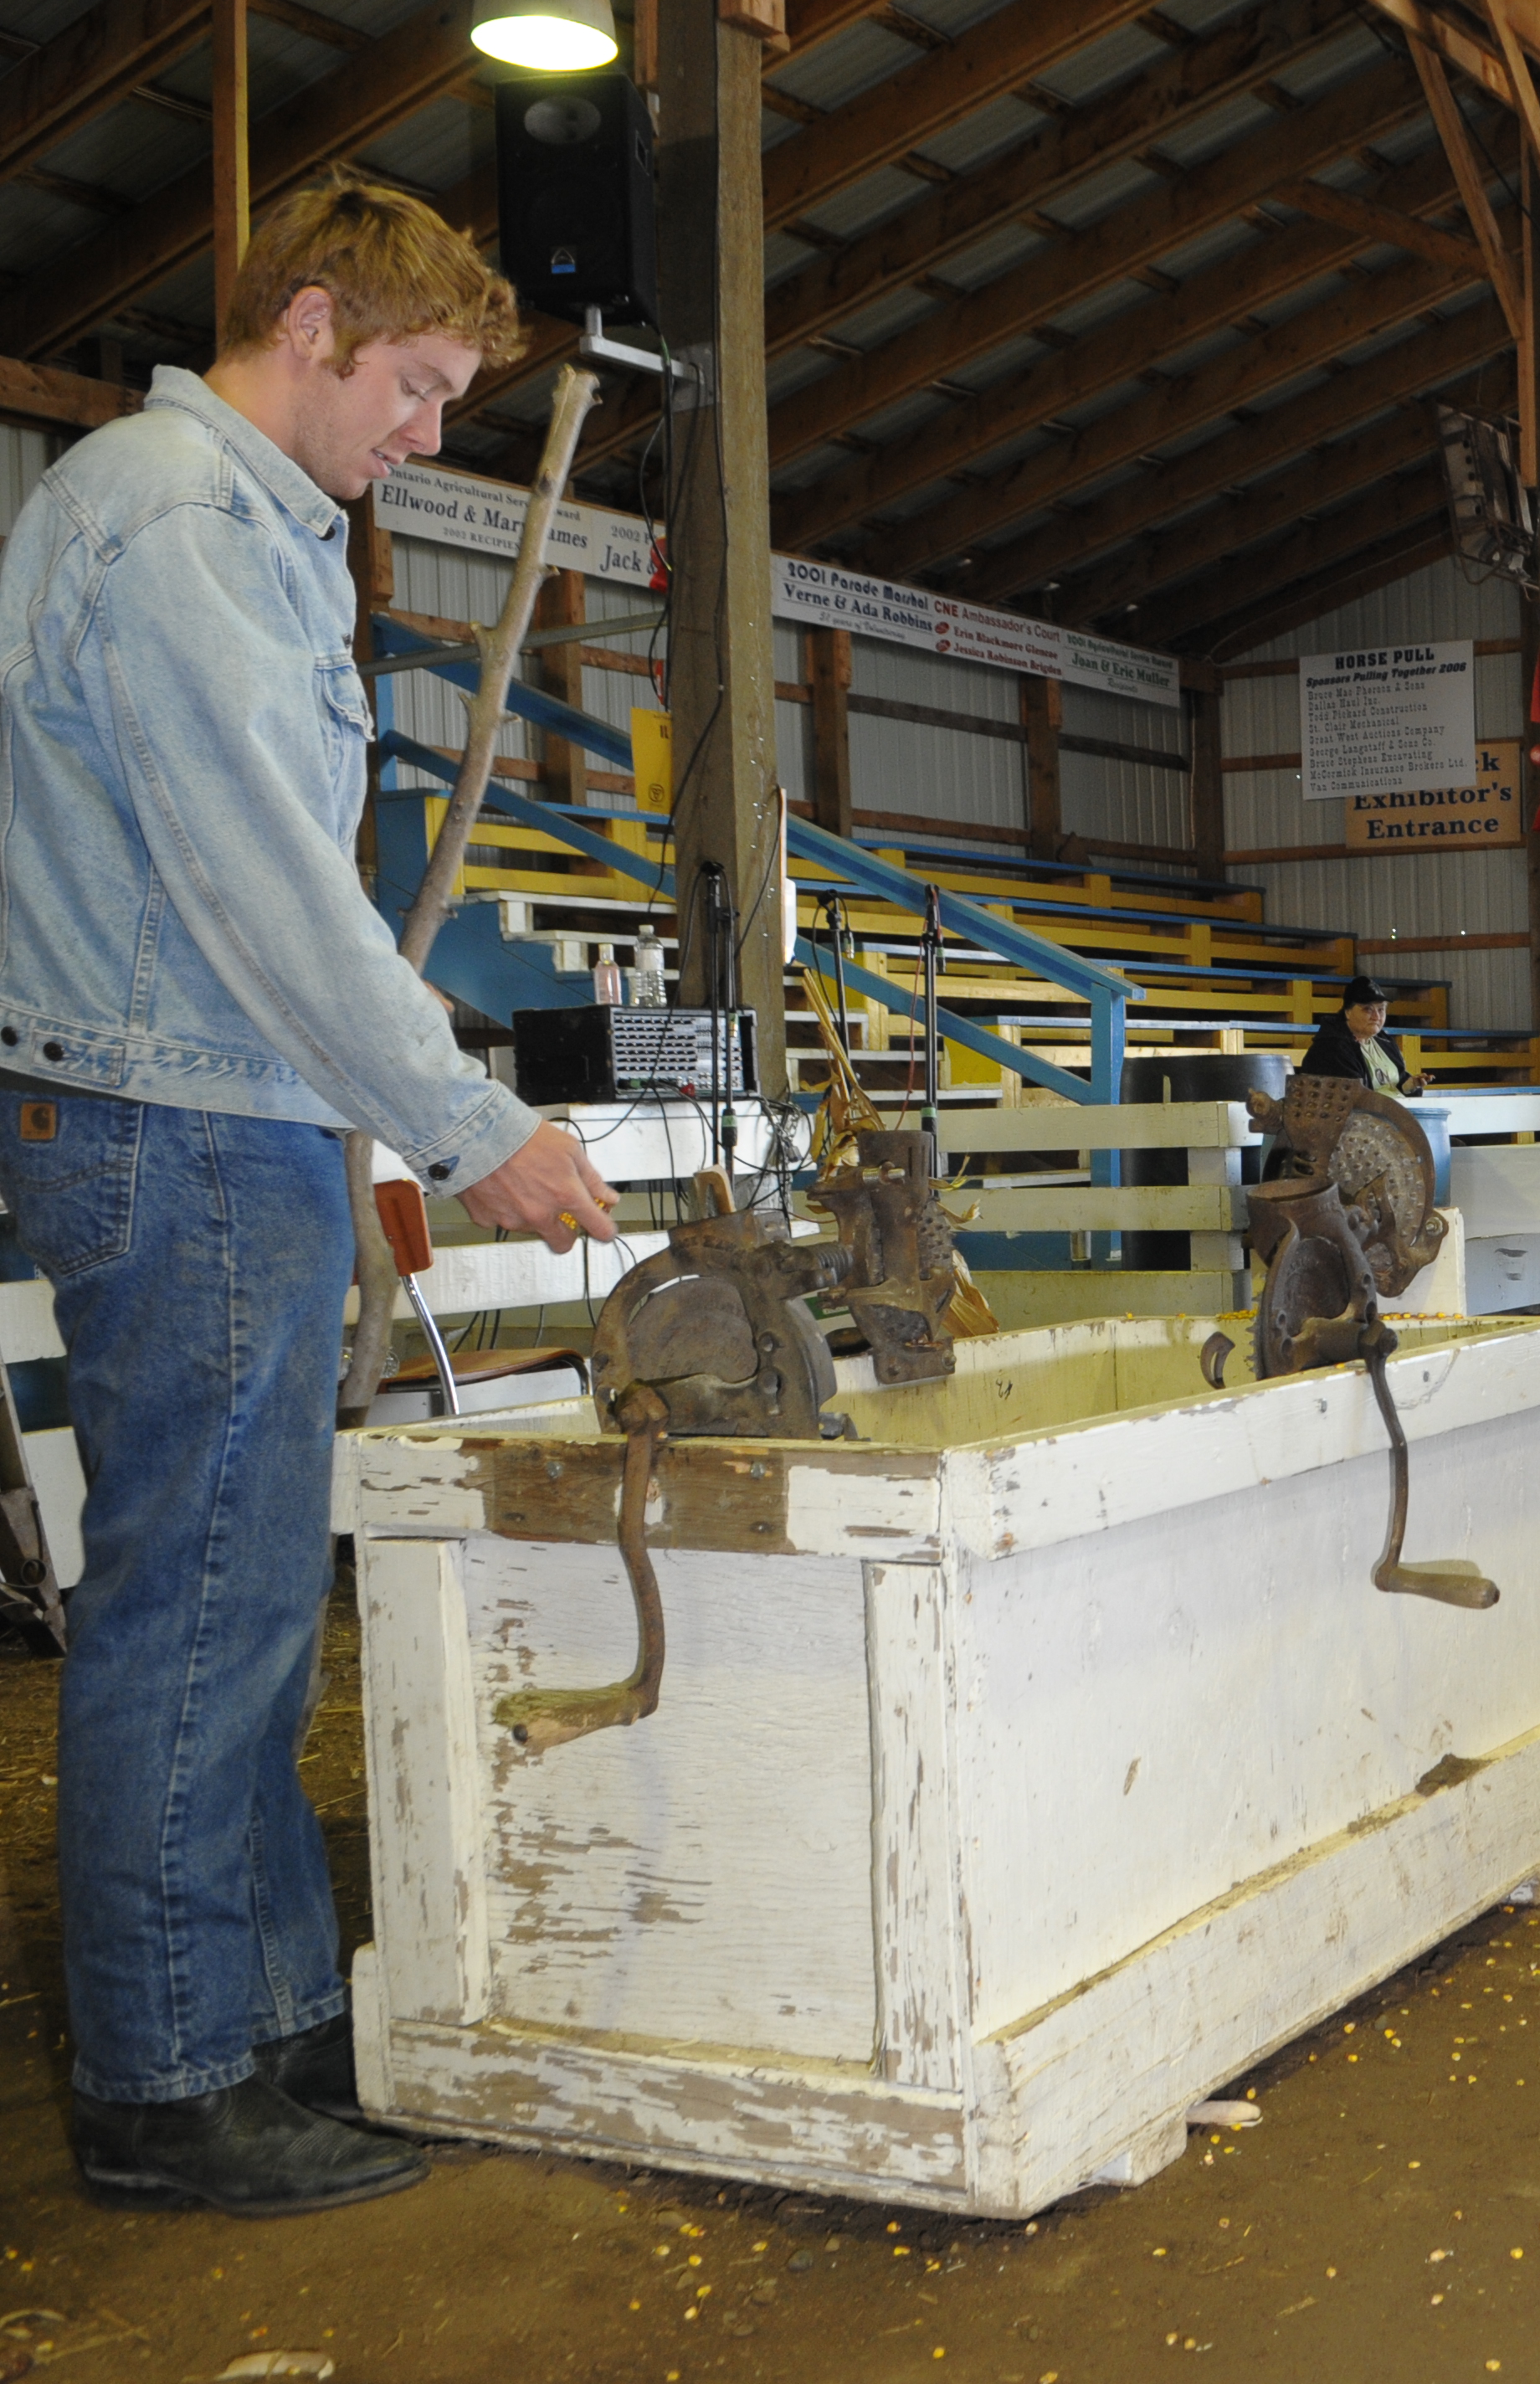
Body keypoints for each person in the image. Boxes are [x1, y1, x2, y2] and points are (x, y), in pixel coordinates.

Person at [0, 170, 620, 2216]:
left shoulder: (220, 522)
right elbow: (264, 883)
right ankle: (169, 2072)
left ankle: (254, 2008)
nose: (426, 438)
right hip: (179, 1113)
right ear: (319, 321)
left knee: (246, 1588)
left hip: (214, 1105)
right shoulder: (177, 521)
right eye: (421, 387)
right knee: (195, 1596)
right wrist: (473, 1126)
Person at [1296, 976, 1427, 1093]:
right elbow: (1354, 1098)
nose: (1376, 1016)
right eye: (1367, 1009)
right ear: (1347, 1012)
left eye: (1381, 1010)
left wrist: (1409, 1086)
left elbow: (1397, 1082)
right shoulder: (1331, 1048)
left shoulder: (1385, 1041)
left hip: (1394, 1112)